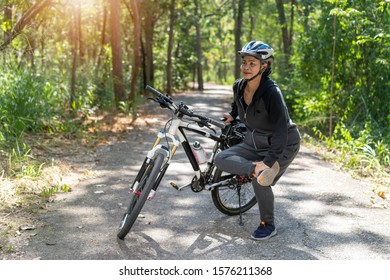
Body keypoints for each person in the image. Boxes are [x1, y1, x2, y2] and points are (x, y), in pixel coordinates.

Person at [214, 41, 301, 240]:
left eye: (252, 63)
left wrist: (268, 162)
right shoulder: (239, 86)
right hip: (254, 142)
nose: (246, 67)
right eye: (244, 62)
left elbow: (281, 132)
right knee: (221, 158)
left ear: (264, 66)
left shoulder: (272, 93)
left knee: (261, 179)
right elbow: (238, 107)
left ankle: (268, 224)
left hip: (284, 143)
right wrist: (232, 115)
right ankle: (255, 170)